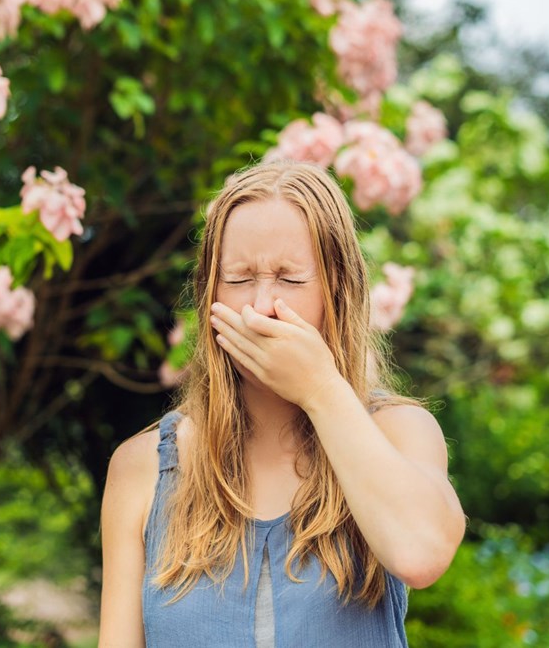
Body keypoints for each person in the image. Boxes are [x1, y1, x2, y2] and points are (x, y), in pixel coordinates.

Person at [98, 161, 466, 647]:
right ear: (210, 291)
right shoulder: (142, 468)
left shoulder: (400, 432)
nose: (261, 306)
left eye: (290, 280)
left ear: (337, 289)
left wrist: (320, 389)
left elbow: (421, 555)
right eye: (239, 277)